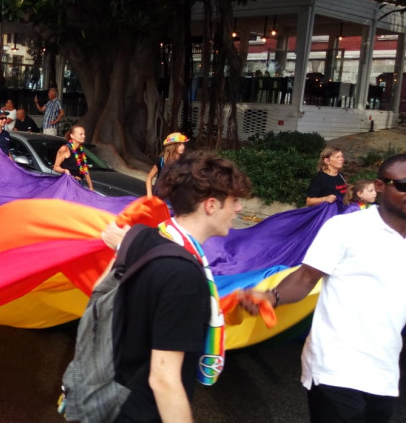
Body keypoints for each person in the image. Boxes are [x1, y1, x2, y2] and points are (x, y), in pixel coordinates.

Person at [241, 154, 406, 423]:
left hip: (385, 374)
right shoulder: (346, 228)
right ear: (379, 186)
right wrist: (272, 296)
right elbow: (306, 277)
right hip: (336, 367)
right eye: (403, 186)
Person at [103, 150, 252, 422]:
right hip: (144, 412)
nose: (239, 209)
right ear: (210, 205)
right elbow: (164, 380)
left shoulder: (147, 239)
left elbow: (156, 310)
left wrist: (229, 303)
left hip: (119, 396)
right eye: (234, 200)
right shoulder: (184, 274)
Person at [146, 132, 189, 197]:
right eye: (179, 144)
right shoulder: (161, 161)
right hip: (158, 198)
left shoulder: (184, 163)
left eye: (183, 144)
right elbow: (149, 177)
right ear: (172, 146)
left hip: (173, 201)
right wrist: (149, 194)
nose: (183, 147)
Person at [53, 125, 95, 191]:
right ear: (72, 136)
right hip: (68, 183)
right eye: (80, 134)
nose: (84, 136)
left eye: (84, 134)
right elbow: (56, 167)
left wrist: (91, 186)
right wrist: (65, 170)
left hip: (80, 183)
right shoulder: (65, 149)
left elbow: (85, 170)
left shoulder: (81, 150)